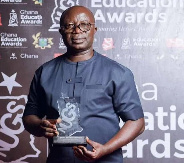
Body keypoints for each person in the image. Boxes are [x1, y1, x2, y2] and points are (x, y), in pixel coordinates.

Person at [23, 5, 145, 163]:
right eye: (69, 26)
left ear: (94, 30)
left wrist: (105, 149)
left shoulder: (118, 73)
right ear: (61, 31)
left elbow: (137, 123)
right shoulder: (44, 72)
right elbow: (29, 117)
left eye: (84, 25)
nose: (77, 31)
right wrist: (40, 125)